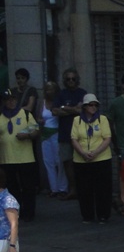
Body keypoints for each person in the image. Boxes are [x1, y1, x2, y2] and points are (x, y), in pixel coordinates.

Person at [70, 93, 114, 223]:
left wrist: (95, 152)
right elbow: (74, 139)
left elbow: (107, 138)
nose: (93, 107)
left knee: (103, 189)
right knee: (84, 189)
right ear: (84, 106)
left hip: (101, 158)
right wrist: (83, 153)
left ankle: (103, 215)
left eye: (95, 105)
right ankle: (87, 215)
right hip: (81, 160)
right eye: (90, 104)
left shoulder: (103, 119)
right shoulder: (77, 120)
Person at [0, 87, 39, 222]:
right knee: (12, 188)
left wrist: (27, 135)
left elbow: (35, 130)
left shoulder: (25, 114)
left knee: (28, 187)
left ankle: (29, 213)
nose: (10, 102)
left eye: (13, 99)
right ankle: (14, 211)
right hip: (7, 158)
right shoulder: (1, 117)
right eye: (7, 100)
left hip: (25, 158)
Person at [54, 68, 87, 198]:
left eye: (73, 79)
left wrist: (65, 108)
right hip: (65, 133)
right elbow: (55, 111)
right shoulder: (61, 94)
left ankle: (83, 189)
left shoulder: (83, 93)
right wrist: (74, 109)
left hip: (81, 134)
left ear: (77, 80)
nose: (71, 81)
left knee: (82, 162)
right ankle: (72, 189)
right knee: (67, 162)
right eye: (68, 79)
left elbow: (82, 110)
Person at [38, 81, 69, 198]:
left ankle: (63, 188)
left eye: (51, 89)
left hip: (57, 133)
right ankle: (54, 188)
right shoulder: (43, 102)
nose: (49, 91)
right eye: (47, 89)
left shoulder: (59, 102)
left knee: (59, 161)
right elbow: (39, 116)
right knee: (48, 162)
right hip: (45, 134)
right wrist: (40, 120)